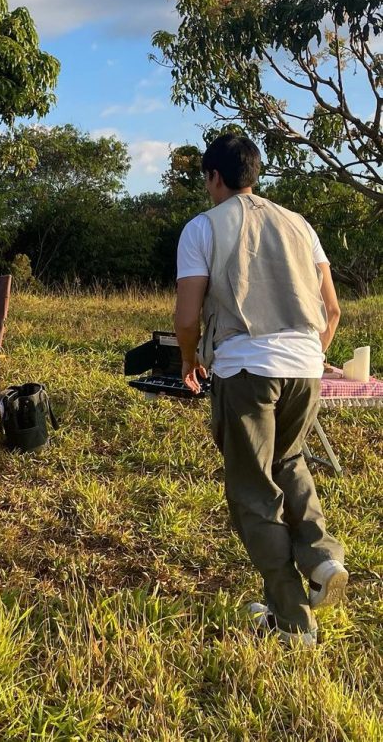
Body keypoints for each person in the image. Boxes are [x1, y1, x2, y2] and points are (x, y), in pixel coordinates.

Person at [174, 134, 347, 646]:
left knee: (252, 491)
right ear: (255, 173)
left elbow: (187, 316)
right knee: (289, 460)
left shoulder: (203, 228)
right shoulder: (300, 225)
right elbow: (331, 310)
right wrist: (311, 356)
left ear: (214, 177)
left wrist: (189, 358)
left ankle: (292, 621)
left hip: (247, 369)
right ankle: (320, 557)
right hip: (306, 365)